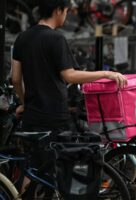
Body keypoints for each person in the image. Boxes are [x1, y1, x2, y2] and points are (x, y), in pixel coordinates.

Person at [11, 0, 127, 165]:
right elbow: (70, 76)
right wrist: (106, 73)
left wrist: (25, 103)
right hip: (55, 115)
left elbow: (15, 78)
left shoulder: (22, 38)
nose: (65, 16)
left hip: (31, 116)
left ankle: (24, 192)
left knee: (34, 167)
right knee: (63, 167)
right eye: (65, 11)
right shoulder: (56, 38)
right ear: (58, 10)